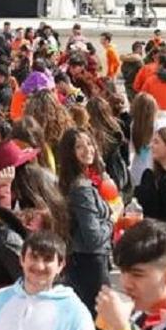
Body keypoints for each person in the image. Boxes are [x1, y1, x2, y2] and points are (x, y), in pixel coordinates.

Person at [56, 128, 114, 318]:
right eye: (79, 147)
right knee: (102, 319)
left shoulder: (74, 181)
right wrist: (112, 220)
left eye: (89, 144)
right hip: (91, 262)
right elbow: (94, 237)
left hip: (81, 260)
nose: (87, 149)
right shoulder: (81, 189)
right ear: (69, 153)